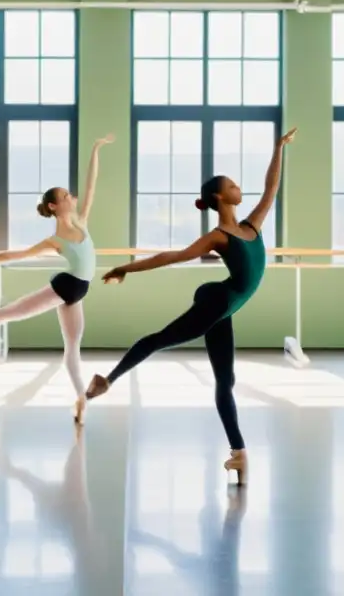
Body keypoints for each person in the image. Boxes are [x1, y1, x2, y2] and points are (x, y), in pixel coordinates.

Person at [85, 128, 298, 485]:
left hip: (224, 304)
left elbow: (271, 188)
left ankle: (239, 455)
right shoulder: (220, 236)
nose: (237, 188)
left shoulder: (252, 226)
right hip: (217, 301)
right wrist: (126, 268)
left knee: (225, 380)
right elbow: (175, 256)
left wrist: (278, 149)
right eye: (231, 185)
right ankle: (107, 380)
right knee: (159, 339)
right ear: (219, 196)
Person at [0, 134, 115, 425]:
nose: (73, 197)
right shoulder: (55, 239)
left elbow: (92, 184)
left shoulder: (82, 221)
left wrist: (95, 148)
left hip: (78, 292)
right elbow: (13, 255)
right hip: (65, 286)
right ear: (54, 206)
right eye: (66, 196)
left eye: (69, 194)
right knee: (11, 312)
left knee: (72, 348)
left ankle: (81, 398)